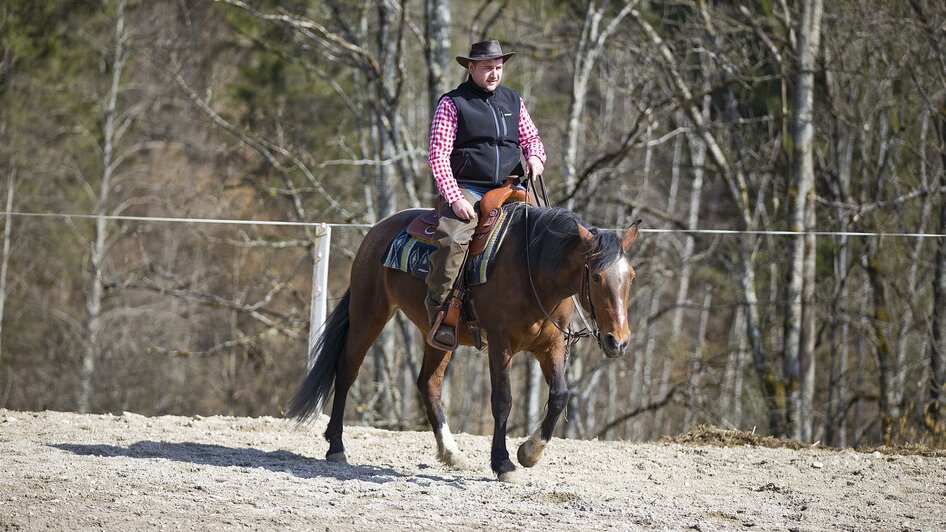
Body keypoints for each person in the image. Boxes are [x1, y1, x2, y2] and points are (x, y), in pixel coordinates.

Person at [425, 39, 546, 348]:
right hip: (468, 187)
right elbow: (438, 155)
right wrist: (454, 197)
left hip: (510, 186)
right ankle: (441, 314)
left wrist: (535, 157)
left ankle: (546, 308)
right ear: (471, 68)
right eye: (488, 68)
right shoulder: (452, 103)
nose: (495, 74)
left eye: (499, 68)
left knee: (549, 230)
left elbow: (531, 137)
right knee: (453, 239)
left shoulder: (513, 100)